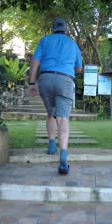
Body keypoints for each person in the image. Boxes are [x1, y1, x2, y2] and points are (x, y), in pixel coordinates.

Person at [27, 18, 82, 175]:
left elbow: (35, 61)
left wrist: (32, 83)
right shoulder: (72, 44)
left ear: (53, 28)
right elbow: (78, 69)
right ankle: (63, 157)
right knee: (63, 119)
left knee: (51, 113)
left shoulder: (45, 40)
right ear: (65, 29)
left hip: (45, 79)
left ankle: (52, 144)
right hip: (65, 80)